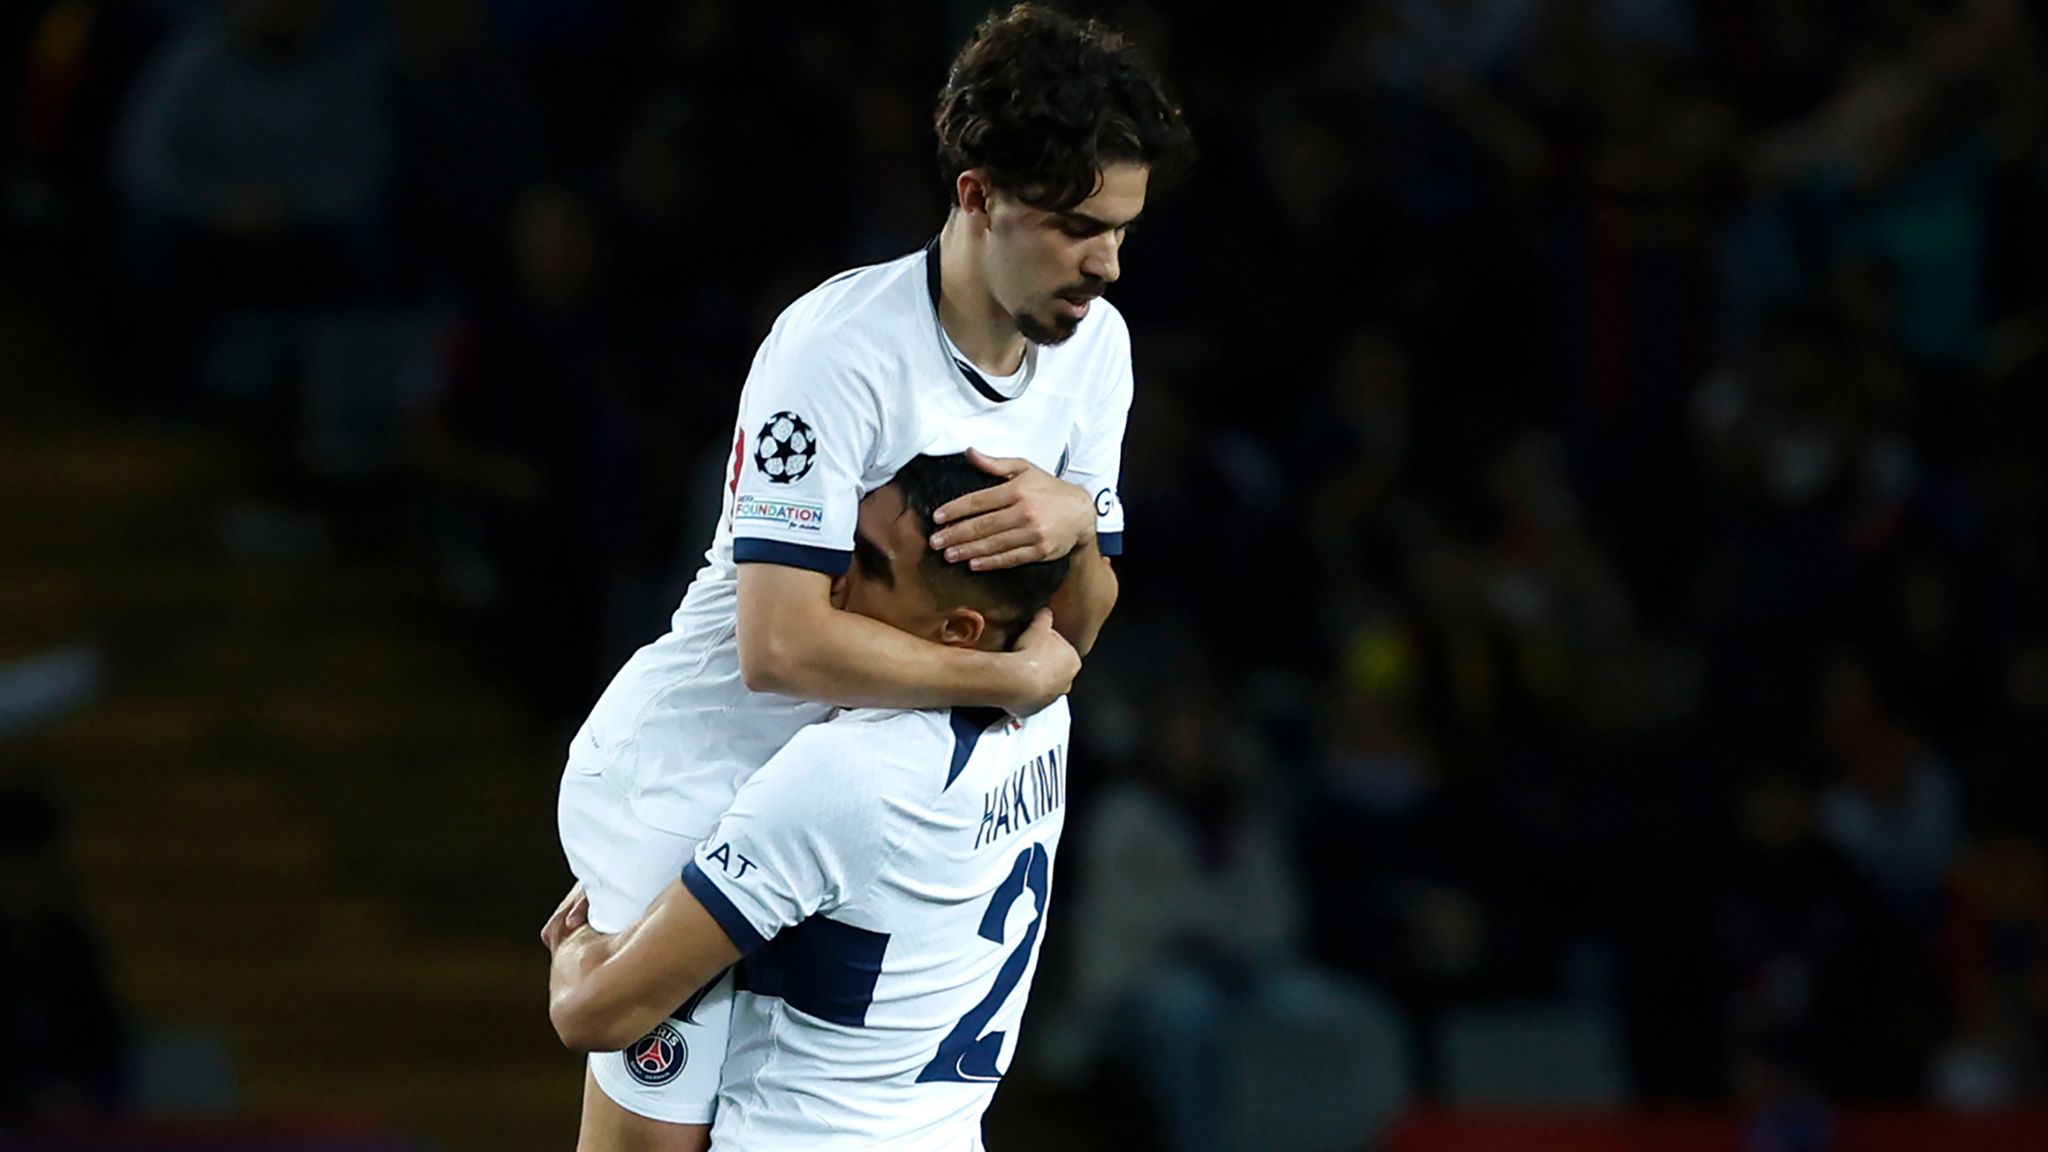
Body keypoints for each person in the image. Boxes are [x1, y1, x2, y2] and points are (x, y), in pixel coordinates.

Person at [552, 7, 1192, 1149]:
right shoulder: (833, 351)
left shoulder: (1096, 348)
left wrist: (1076, 534)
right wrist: (1010, 683)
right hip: (702, 764)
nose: (1104, 265)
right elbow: (781, 646)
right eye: (1074, 227)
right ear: (976, 196)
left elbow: (1075, 613)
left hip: (860, 799)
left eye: (1121, 231)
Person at [547, 455, 1075, 1151]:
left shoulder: (850, 772)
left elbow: (595, 1014)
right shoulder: (1045, 717)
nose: (829, 575)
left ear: (960, 633)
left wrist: (576, 952)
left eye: (867, 562)